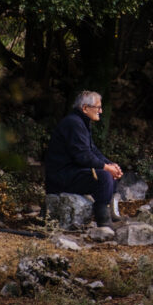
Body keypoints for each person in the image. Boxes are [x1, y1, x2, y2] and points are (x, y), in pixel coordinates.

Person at [44, 90, 123, 227]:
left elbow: (93, 150)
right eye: (98, 107)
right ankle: (103, 219)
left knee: (111, 174)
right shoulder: (73, 123)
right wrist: (106, 168)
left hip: (72, 172)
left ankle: (111, 210)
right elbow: (82, 156)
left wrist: (111, 165)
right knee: (104, 176)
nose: (101, 111)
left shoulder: (81, 122)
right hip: (61, 177)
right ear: (85, 108)